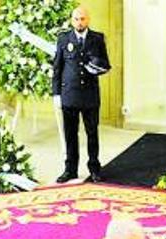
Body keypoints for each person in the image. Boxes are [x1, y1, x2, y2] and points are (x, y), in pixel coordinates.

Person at [52, 6, 111, 184]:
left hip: (90, 95)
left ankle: (94, 169)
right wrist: (56, 93)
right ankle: (70, 170)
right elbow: (57, 68)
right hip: (69, 94)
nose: (80, 22)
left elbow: (105, 64)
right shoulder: (63, 39)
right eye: (76, 19)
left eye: (83, 19)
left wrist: (94, 63)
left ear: (88, 20)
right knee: (70, 134)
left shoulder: (97, 38)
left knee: (92, 133)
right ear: (72, 20)